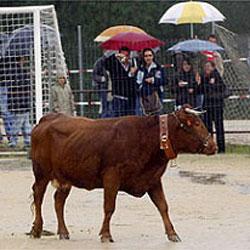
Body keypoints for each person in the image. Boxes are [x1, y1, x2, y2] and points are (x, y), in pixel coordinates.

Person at [200, 61, 226, 153]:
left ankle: (222, 148)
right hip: (207, 106)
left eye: (208, 66)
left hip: (217, 106)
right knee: (208, 128)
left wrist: (216, 95)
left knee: (219, 127)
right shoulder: (203, 77)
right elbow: (200, 90)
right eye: (205, 66)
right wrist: (198, 83)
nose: (206, 68)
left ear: (213, 67)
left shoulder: (217, 77)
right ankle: (210, 147)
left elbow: (224, 90)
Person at [7, 56, 32, 149]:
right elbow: (23, 85)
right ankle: (13, 141)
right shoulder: (18, 72)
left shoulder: (15, 71)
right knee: (19, 123)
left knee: (25, 123)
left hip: (20, 102)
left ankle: (27, 141)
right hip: (20, 102)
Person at [104, 47, 137, 117]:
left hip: (131, 98)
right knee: (117, 118)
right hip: (118, 97)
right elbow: (105, 64)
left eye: (127, 54)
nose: (125, 56)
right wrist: (114, 56)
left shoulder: (133, 63)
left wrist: (132, 72)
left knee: (130, 119)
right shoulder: (113, 63)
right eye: (123, 53)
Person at [136, 48, 164, 115]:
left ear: (153, 56)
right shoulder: (141, 68)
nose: (148, 58)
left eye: (150, 55)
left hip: (156, 96)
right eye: (146, 56)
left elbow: (164, 80)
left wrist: (153, 80)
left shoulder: (158, 68)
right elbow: (137, 82)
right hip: (144, 97)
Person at [92, 51, 114, 118]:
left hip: (114, 88)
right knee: (104, 107)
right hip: (104, 88)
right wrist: (102, 79)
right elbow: (94, 75)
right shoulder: (100, 62)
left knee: (112, 108)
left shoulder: (115, 61)